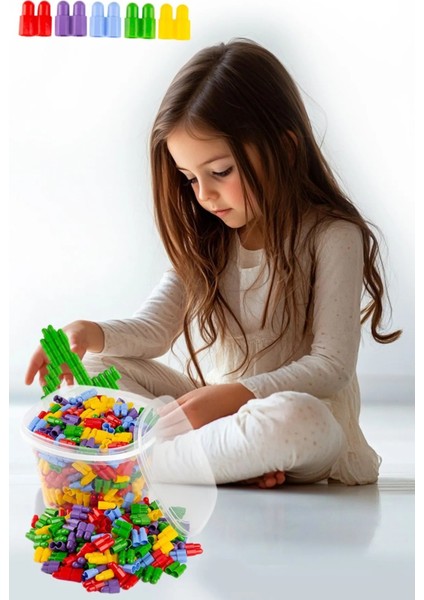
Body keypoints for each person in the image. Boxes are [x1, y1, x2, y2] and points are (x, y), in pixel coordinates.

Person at [25, 39, 401, 488]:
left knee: (298, 419)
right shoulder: (208, 242)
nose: (204, 195)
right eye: (189, 178)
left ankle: (142, 459)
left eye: (220, 172)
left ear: (284, 149)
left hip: (292, 419)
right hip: (213, 415)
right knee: (98, 365)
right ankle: (216, 460)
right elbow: (153, 331)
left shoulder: (332, 235)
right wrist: (90, 332)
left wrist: (235, 396)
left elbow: (330, 366)